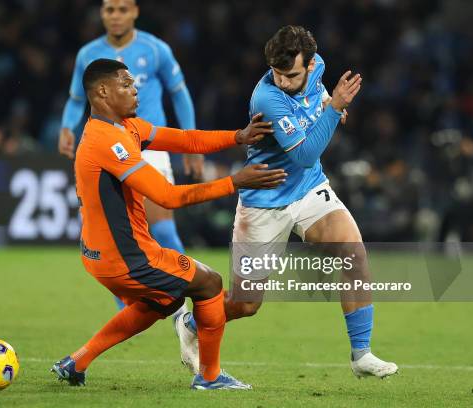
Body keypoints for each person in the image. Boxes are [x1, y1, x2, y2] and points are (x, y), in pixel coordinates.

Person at [177, 25, 398, 379]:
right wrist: (334, 109)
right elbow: (305, 154)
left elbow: (317, 101)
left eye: (290, 74)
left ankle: (361, 354)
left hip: (309, 190)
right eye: (276, 73)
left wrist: (328, 105)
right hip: (264, 201)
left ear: (310, 65)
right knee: (246, 304)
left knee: (353, 252)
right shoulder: (267, 98)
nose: (282, 80)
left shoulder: (319, 68)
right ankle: (190, 322)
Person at [51, 58, 286, 389]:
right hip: (125, 258)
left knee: (164, 300)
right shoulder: (106, 141)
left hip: (101, 254)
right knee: (208, 283)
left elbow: (186, 140)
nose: (136, 90)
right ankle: (210, 376)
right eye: (126, 84)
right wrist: (235, 182)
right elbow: (167, 197)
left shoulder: (126, 127)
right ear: (102, 91)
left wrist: (238, 136)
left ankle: (77, 361)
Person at [59, 0, 200, 312]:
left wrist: (191, 142)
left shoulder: (155, 49)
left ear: (135, 12)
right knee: (115, 236)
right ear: (102, 14)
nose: (116, 16)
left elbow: (179, 92)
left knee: (162, 227)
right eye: (110, 9)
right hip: (108, 148)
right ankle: (129, 312)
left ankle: (190, 303)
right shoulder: (88, 54)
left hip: (149, 147)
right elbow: (75, 99)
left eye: (122, 9)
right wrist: (67, 127)